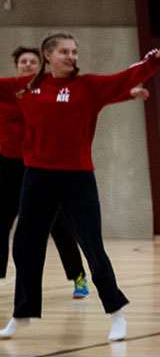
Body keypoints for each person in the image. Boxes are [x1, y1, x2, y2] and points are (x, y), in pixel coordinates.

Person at [0, 34, 160, 342]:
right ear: (48, 55)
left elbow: (125, 78)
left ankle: (116, 313)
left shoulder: (88, 86)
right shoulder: (27, 88)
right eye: (64, 52)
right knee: (25, 244)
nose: (71, 56)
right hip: (37, 176)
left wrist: (154, 60)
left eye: (74, 52)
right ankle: (21, 314)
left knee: (91, 245)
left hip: (76, 177)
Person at [2, 46, 118, 298]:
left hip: (43, 166)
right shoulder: (12, 93)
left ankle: (78, 276)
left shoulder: (45, 92)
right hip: (11, 166)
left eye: (32, 62)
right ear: (17, 65)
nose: (28, 65)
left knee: (60, 226)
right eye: (23, 61)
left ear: (41, 64)